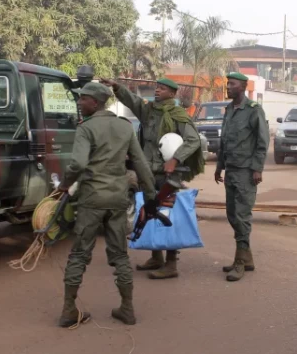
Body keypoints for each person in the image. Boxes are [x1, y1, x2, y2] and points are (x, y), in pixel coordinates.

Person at [58, 82, 157, 328]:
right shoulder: (125, 128)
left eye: (84, 99)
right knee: (120, 255)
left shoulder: (86, 128)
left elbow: (78, 164)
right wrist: (151, 194)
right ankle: (127, 309)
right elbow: (141, 164)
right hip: (117, 199)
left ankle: (69, 309)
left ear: (96, 102)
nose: (80, 103)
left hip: (92, 199)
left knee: (80, 253)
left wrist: (64, 184)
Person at [100, 77, 204, 280]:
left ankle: (171, 263)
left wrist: (175, 159)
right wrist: (116, 87)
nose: (158, 91)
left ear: (172, 94)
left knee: (168, 216)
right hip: (147, 172)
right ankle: (156, 256)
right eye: (157, 88)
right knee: (148, 212)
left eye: (163, 89)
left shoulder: (177, 114)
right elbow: (132, 101)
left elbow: (193, 140)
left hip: (168, 175)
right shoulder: (148, 111)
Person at [214, 72, 270, 282]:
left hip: (246, 172)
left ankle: (239, 261)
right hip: (231, 169)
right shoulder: (229, 109)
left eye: (232, 84)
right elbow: (225, 141)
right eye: (228, 83)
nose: (228, 87)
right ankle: (247, 258)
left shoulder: (254, 111)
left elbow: (262, 141)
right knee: (231, 214)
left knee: (242, 216)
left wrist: (257, 169)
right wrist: (219, 166)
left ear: (243, 87)